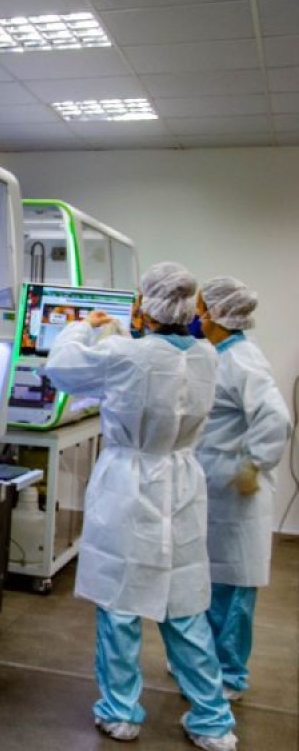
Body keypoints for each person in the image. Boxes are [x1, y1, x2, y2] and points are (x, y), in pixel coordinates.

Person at [45, 262, 237, 751]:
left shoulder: (125, 355)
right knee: (185, 608)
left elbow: (62, 368)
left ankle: (121, 713)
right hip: (182, 483)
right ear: (189, 308)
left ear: (143, 306)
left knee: (120, 605)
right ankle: (213, 721)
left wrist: (82, 327)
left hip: (129, 484)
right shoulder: (207, 356)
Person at [194, 277, 292, 701]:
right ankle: (204, 663)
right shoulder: (217, 354)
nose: (195, 316)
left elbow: (276, 418)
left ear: (218, 314)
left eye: (200, 309)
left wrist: (254, 463)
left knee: (233, 587)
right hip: (216, 487)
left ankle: (228, 674)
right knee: (210, 583)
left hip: (238, 492)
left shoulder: (242, 360)